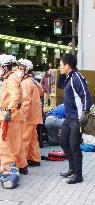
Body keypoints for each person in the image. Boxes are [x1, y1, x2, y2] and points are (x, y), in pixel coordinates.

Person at [59, 54, 92, 184]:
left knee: (74, 145)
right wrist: (62, 73)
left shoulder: (77, 77)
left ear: (67, 66)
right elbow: (60, 86)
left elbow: (86, 95)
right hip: (69, 117)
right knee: (63, 142)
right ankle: (72, 168)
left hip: (77, 118)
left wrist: (85, 113)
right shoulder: (69, 77)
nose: (59, 67)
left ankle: (79, 175)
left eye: (61, 65)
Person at [0, 54, 28, 177]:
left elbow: (15, 96)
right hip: (16, 114)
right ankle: (22, 166)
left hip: (10, 114)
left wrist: (9, 111)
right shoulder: (13, 77)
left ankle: (7, 169)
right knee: (17, 143)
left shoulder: (11, 79)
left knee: (6, 144)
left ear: (5, 67)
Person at [19, 59, 43, 166]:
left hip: (28, 116)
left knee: (24, 139)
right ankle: (34, 159)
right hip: (35, 115)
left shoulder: (25, 83)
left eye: (21, 68)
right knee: (33, 138)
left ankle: (22, 162)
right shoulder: (33, 81)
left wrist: (23, 115)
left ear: (27, 69)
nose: (18, 70)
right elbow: (41, 92)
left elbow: (26, 101)